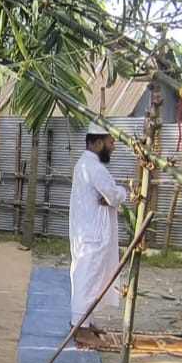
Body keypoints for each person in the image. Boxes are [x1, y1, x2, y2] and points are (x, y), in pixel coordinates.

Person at [69, 123, 128, 343]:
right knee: (88, 278)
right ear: (98, 142)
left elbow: (107, 197)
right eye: (111, 142)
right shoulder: (93, 168)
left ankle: (86, 321)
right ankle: (80, 328)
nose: (113, 147)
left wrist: (110, 197)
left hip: (89, 230)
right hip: (92, 234)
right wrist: (124, 191)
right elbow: (112, 195)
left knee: (90, 278)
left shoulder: (86, 164)